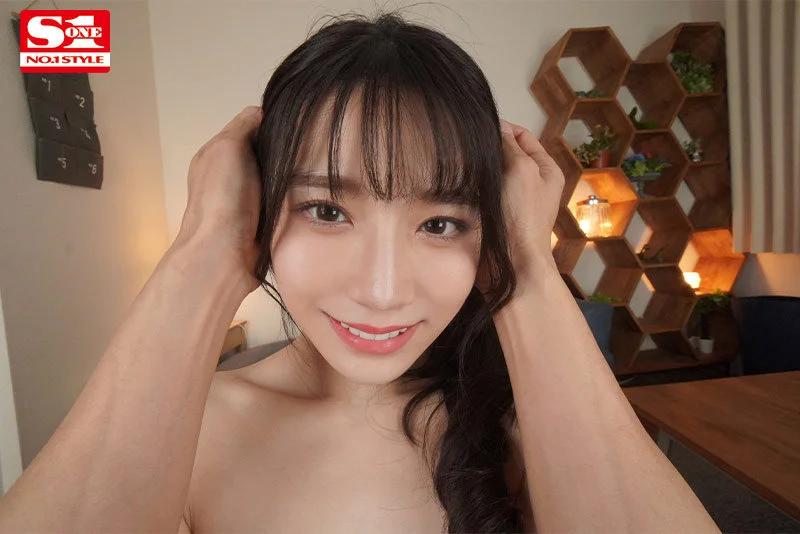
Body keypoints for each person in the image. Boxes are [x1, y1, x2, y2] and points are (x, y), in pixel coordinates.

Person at [0, 11, 720, 534]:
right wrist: (203, 254)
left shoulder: (525, 423)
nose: (381, 291)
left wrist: (525, 268)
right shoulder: (189, 426)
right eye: (326, 210)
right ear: (260, 209)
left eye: (441, 223)